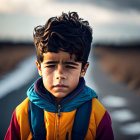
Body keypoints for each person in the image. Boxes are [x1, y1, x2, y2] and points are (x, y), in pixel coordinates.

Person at [5, 12, 114, 140]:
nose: (59, 75)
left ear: (83, 69)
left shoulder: (97, 114)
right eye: (51, 65)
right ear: (39, 68)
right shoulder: (22, 113)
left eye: (69, 66)